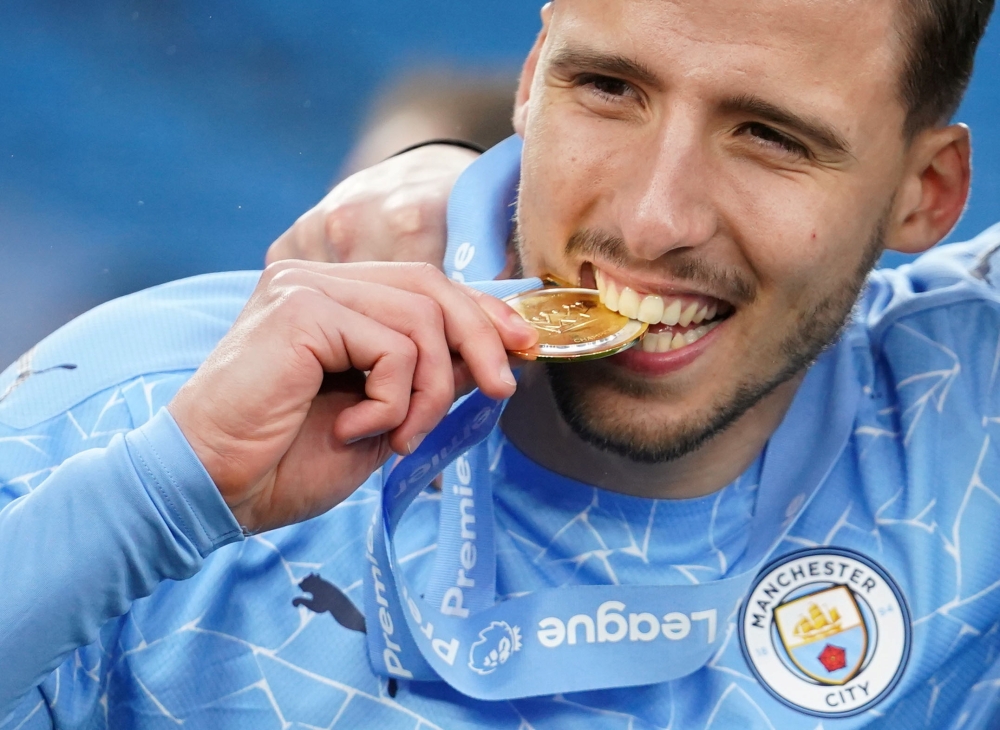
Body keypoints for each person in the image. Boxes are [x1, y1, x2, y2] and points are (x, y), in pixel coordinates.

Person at [2, 0, 999, 727]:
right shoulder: (144, 401)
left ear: (926, 189)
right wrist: (161, 497)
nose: (654, 220)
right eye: (607, 87)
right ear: (531, 81)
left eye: (771, 138)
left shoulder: (969, 406)